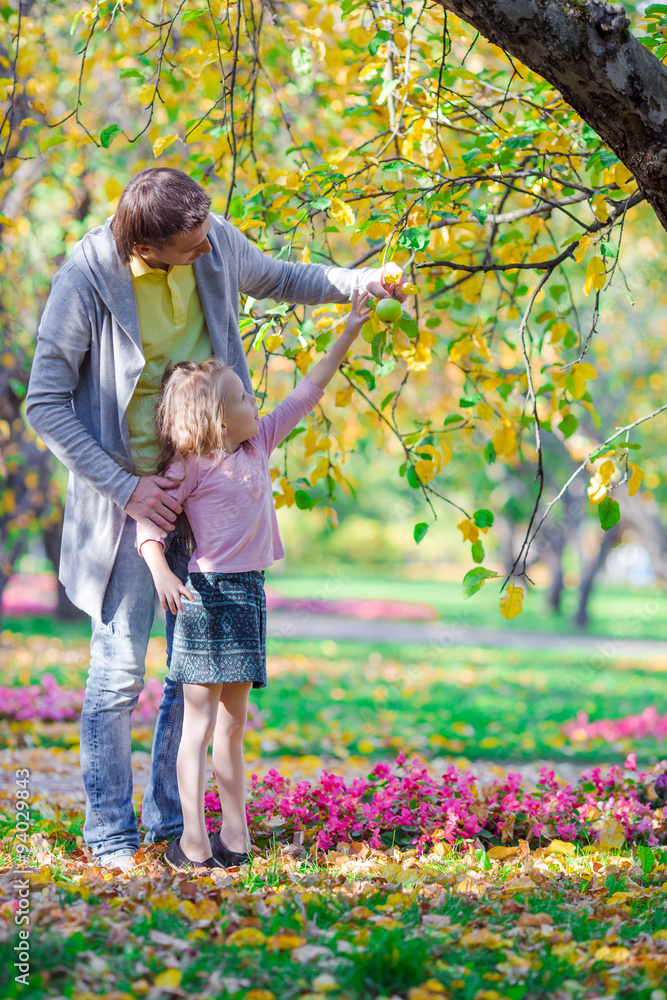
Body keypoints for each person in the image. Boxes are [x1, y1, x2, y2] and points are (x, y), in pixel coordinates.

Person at [25, 167, 404, 871]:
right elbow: (44, 403)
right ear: (147, 244)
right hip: (126, 500)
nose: (210, 252)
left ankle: (176, 826)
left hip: (207, 484)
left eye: (209, 235)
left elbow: (282, 277)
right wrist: (128, 489)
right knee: (115, 677)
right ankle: (108, 832)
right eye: (192, 245)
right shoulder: (85, 281)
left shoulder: (214, 240)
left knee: (187, 677)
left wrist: (359, 282)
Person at [137, 289, 371, 868]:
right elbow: (145, 517)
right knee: (197, 726)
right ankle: (193, 842)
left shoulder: (259, 443)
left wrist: (351, 328)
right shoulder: (188, 466)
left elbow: (310, 389)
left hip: (247, 596)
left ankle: (235, 837)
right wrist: (161, 570)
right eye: (244, 395)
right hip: (203, 600)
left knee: (234, 726)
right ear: (218, 416)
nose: (256, 398)